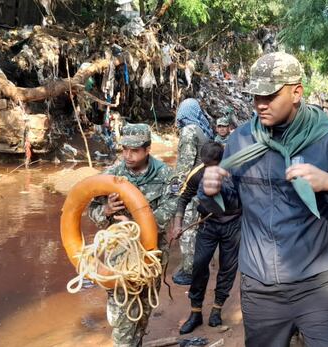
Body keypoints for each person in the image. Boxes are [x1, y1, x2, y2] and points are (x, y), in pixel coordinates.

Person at [199, 52, 328, 347]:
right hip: (260, 288)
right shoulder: (241, 140)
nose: (260, 104)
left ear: (296, 92)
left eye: (269, 95)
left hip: (318, 286)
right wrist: (212, 191)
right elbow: (231, 206)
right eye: (255, 96)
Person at [87, 123, 179, 346]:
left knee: (145, 308)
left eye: (135, 150)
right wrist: (106, 210)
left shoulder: (166, 176)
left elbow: (171, 208)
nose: (128, 155)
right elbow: (91, 211)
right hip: (120, 256)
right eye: (124, 149)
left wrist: (137, 224)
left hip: (151, 255)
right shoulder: (110, 176)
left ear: (148, 149)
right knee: (123, 313)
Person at [171, 142, 242, 334]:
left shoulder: (234, 172)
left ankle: (217, 309)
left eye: (212, 165)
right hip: (208, 224)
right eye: (205, 164)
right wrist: (178, 225)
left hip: (233, 225)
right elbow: (183, 197)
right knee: (199, 265)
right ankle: (195, 313)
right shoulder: (198, 173)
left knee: (227, 267)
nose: (208, 169)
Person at [173, 98, 213, 285]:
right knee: (198, 228)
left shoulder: (189, 131)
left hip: (192, 188)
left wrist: (176, 190)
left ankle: (190, 271)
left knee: (188, 231)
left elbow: (185, 165)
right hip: (204, 186)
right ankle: (199, 265)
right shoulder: (202, 129)